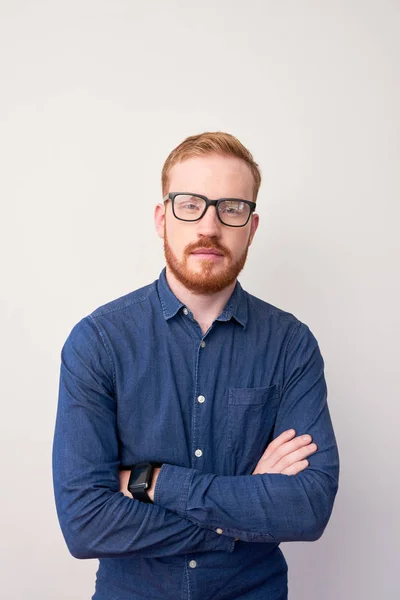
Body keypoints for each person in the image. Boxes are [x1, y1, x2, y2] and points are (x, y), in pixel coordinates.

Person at [52, 131, 339, 600]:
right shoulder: (98, 342)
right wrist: (242, 509)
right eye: (190, 205)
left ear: (252, 226)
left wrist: (155, 483)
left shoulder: (291, 344)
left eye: (231, 208)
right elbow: (85, 524)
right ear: (163, 219)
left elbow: (307, 508)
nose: (209, 226)